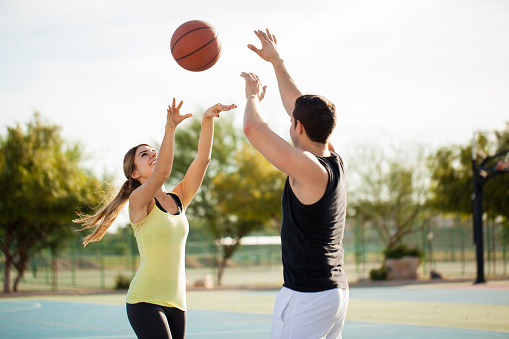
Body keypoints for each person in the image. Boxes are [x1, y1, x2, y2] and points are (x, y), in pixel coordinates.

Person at [73, 99, 236, 339]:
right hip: (144, 300)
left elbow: (203, 160)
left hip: (177, 302)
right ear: (134, 173)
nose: (152, 154)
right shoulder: (139, 201)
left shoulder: (178, 198)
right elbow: (162, 172)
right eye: (144, 154)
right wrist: (170, 127)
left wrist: (207, 119)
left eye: (153, 151)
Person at [241, 29, 349, 339]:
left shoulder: (309, 168)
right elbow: (298, 106)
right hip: (331, 291)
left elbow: (253, 127)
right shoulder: (332, 156)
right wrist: (276, 61)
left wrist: (252, 96)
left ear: (298, 127)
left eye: (292, 121)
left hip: (308, 296)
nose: (290, 121)